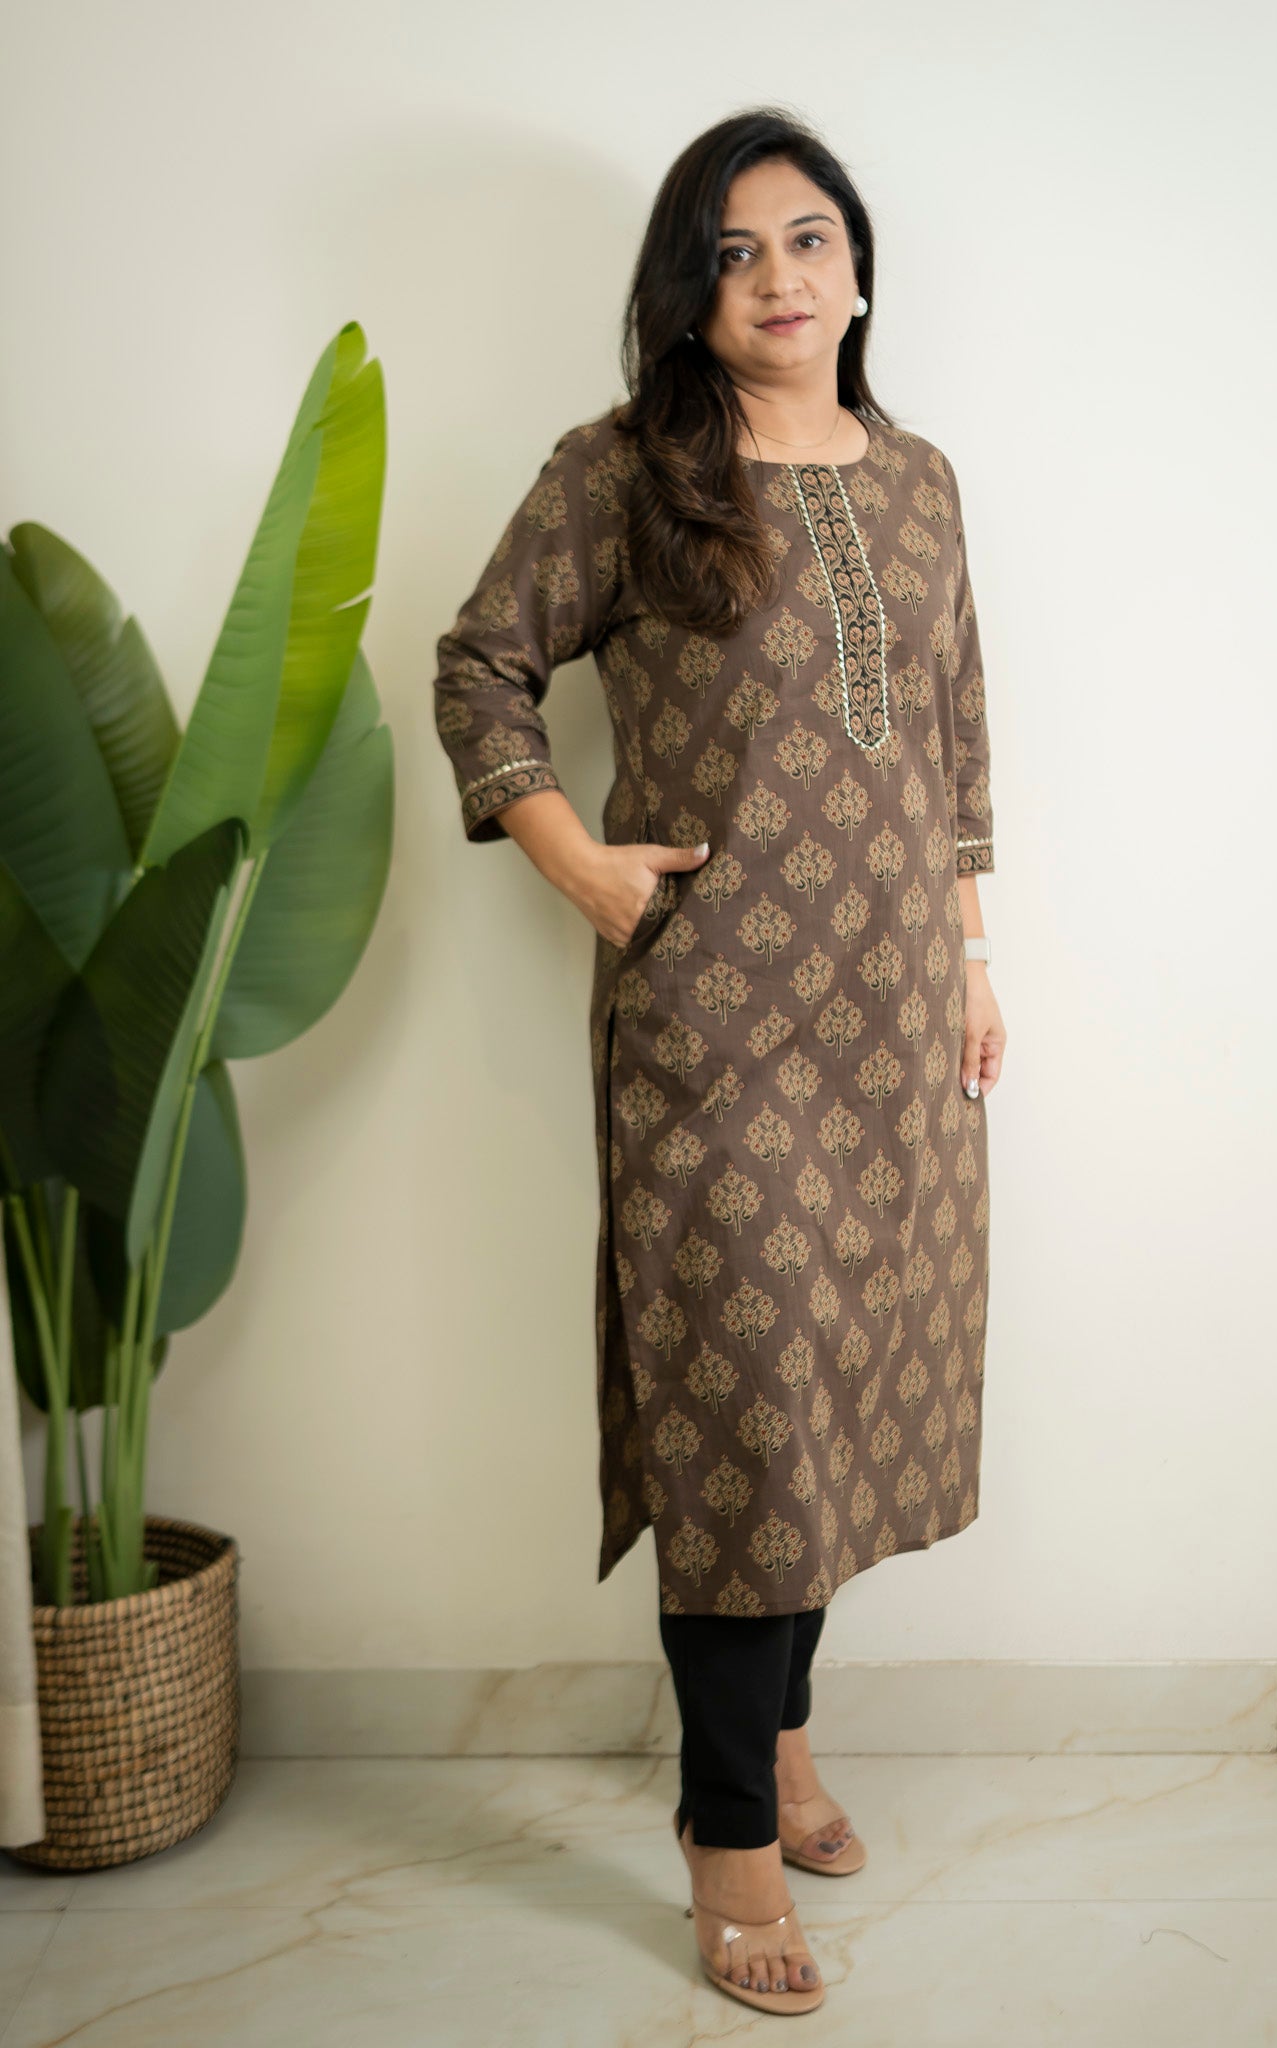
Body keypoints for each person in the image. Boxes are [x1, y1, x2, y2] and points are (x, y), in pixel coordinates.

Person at [431, 107, 1007, 2018]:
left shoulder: (919, 481)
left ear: (860, 270)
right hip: (717, 1032)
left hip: (895, 1022)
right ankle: (729, 1832)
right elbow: (479, 662)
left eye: (810, 238)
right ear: (689, 293)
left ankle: (785, 1737)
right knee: (747, 1411)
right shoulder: (624, 474)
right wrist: (573, 855)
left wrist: (973, 961)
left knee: (840, 1396)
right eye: (735, 250)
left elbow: (954, 724)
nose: (779, 277)